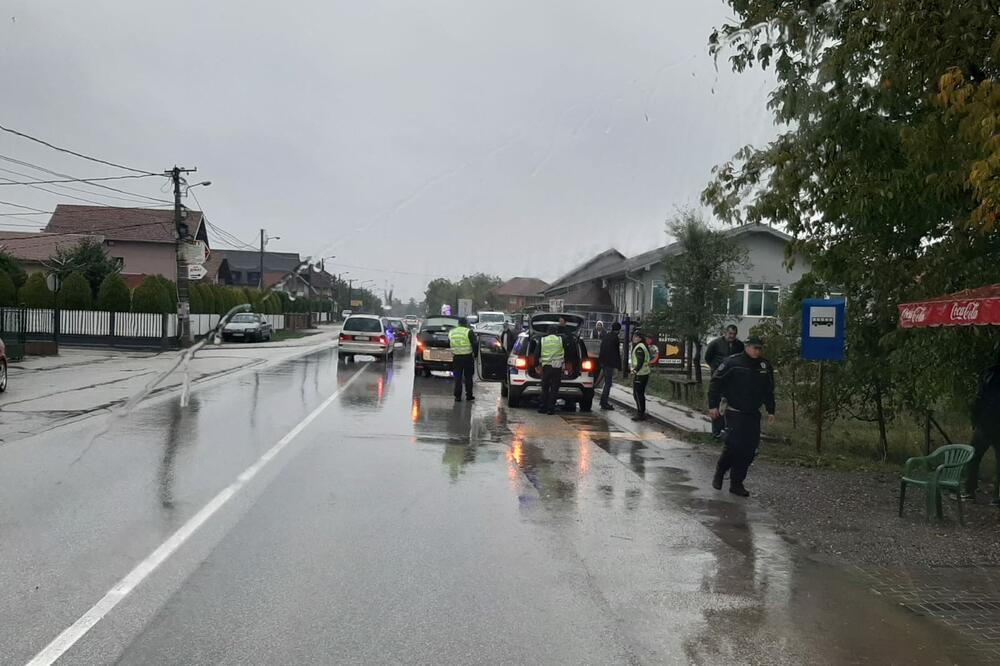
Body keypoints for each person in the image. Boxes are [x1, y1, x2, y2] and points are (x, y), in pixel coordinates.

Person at [708, 336, 775, 497]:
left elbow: (768, 390)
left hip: (752, 413)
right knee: (733, 445)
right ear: (747, 347)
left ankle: (737, 483)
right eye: (754, 348)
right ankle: (721, 470)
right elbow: (715, 383)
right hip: (734, 410)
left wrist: (771, 410)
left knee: (749, 450)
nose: (757, 351)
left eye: (759, 348)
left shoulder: (764, 366)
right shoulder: (733, 363)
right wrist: (713, 405)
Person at [963, 357, 1000, 502]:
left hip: (985, 424)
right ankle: (997, 496)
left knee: (973, 456)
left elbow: (979, 399)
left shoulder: (990, 375)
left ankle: (970, 491)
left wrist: (975, 420)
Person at [705, 325, 746, 438]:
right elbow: (708, 357)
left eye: (734, 334)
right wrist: (715, 368)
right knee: (717, 402)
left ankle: (728, 429)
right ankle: (716, 431)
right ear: (725, 333)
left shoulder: (739, 345)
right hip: (719, 376)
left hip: (732, 378)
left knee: (729, 403)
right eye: (730, 334)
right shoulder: (716, 343)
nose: (732, 336)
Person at [537, 324, 565, 415]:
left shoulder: (543, 340)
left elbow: (536, 353)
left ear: (548, 332)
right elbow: (569, 349)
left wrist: (536, 364)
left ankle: (543, 407)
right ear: (556, 332)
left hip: (546, 367)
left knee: (545, 388)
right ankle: (551, 409)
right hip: (557, 367)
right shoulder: (561, 340)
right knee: (554, 388)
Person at [449, 316, 477, 402]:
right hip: (467, 357)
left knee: (457, 378)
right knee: (468, 377)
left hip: (456, 358)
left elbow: (449, 342)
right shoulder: (469, 332)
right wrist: (475, 355)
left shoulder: (451, 332)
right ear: (466, 324)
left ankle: (457, 396)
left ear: (458, 324)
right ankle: (469, 395)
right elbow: (474, 344)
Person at [598, 321, 622, 410]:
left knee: (605, 383)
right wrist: (619, 366)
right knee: (608, 383)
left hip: (603, 363)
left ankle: (603, 401)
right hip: (609, 364)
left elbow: (602, 349)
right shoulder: (615, 338)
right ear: (618, 330)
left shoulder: (606, 336)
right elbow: (616, 353)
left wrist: (601, 362)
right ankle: (604, 403)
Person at [630, 330, 651, 421]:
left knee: (637, 394)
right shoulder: (642, 346)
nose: (633, 338)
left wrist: (635, 370)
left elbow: (640, 361)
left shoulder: (639, 348)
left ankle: (640, 413)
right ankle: (641, 412)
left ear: (639, 338)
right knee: (639, 394)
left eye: (635, 337)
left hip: (640, 373)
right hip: (644, 373)